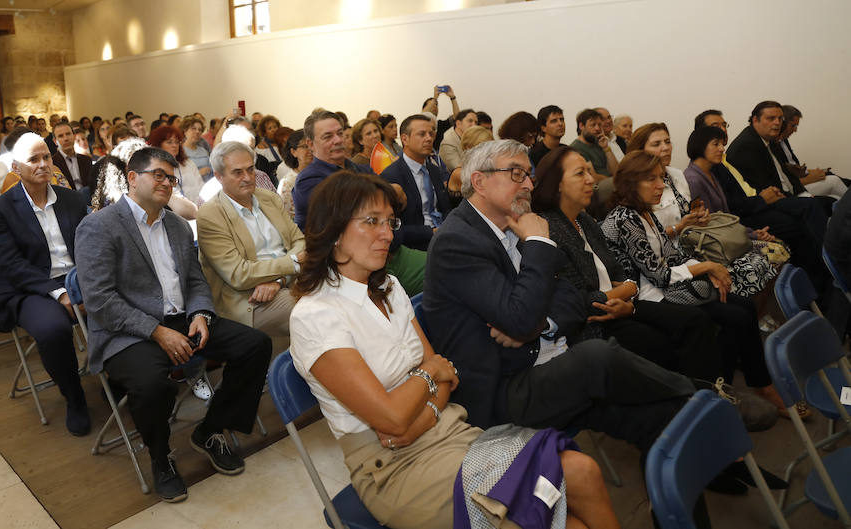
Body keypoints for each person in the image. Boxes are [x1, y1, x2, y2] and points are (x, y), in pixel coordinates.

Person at [290, 169, 618, 529]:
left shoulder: (389, 286)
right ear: (334, 232)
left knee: (582, 471)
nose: (388, 234)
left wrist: (421, 409)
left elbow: (447, 377)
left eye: (390, 221)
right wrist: (430, 375)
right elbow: (396, 414)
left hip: (451, 429)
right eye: (372, 222)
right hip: (394, 467)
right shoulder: (316, 315)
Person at [424, 139, 695, 458]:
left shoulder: (515, 223)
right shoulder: (457, 241)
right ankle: (700, 394)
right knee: (597, 357)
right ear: (479, 182)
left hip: (547, 357)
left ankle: (698, 462)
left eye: (529, 175)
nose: (528, 184)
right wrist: (539, 243)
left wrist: (540, 323)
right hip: (505, 388)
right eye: (516, 173)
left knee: (658, 418)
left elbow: (567, 296)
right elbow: (520, 318)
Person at [74, 147, 272, 503]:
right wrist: (156, 331)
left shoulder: (178, 226)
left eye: (171, 177)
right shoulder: (99, 226)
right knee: (153, 385)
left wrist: (199, 314)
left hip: (182, 320)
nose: (167, 182)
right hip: (128, 332)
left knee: (255, 345)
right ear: (132, 178)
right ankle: (161, 455)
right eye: (158, 175)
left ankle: (209, 431)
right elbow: (101, 301)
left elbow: (195, 281)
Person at [601, 151, 792, 418]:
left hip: (663, 286)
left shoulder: (644, 212)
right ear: (630, 183)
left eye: (661, 179)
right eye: (651, 180)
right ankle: (714, 397)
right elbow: (659, 275)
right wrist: (707, 267)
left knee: (744, 307)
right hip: (644, 295)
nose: (660, 186)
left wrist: (707, 270)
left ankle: (747, 385)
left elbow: (673, 255)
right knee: (727, 316)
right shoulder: (624, 219)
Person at [532, 146, 728, 393]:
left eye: (589, 172)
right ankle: (696, 400)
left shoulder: (585, 221)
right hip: (593, 322)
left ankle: (703, 396)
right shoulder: (548, 228)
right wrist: (622, 294)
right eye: (580, 173)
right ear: (557, 184)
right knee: (669, 336)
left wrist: (628, 293)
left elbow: (621, 273)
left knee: (691, 325)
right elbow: (578, 301)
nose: (591, 180)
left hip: (621, 305)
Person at [0, 133, 90, 436]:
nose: (43, 164)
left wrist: (85, 284)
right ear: (16, 167)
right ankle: (74, 396)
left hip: (75, 277)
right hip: (28, 286)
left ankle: (121, 379)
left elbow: (87, 246)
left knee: (119, 303)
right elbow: (11, 265)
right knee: (54, 329)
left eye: (46, 157)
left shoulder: (71, 199)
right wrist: (60, 294)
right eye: (34, 159)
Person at [695, 109, 830, 293]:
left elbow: (748, 187)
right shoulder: (710, 166)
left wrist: (765, 195)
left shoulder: (722, 159)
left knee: (814, 207)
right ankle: (822, 277)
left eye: (724, 125)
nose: (722, 130)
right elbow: (729, 210)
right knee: (800, 219)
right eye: (715, 127)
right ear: (700, 135)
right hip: (747, 215)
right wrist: (762, 201)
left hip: (755, 205)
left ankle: (822, 276)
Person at [197, 141, 304, 350]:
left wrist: (280, 280)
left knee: (341, 294)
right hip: (247, 300)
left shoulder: (269, 199)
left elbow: (300, 242)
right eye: (237, 172)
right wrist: (291, 263)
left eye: (250, 169)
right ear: (219, 177)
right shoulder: (211, 214)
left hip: (286, 284)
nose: (247, 177)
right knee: (315, 312)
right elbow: (239, 274)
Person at [683, 126, 779, 297]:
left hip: (728, 236)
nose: (722, 148)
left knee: (779, 249)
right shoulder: (693, 179)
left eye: (722, 144)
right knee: (775, 253)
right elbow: (712, 225)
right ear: (700, 147)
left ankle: (771, 312)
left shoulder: (710, 173)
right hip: (714, 246)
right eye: (716, 144)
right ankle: (764, 315)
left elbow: (726, 218)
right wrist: (753, 235)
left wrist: (751, 232)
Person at [725, 101, 833, 216]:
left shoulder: (768, 139)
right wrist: (800, 198)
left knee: (832, 202)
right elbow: (765, 187)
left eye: (780, 118)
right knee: (821, 204)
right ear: (755, 120)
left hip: (788, 194)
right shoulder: (747, 146)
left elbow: (787, 175)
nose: (777, 123)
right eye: (771, 118)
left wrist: (803, 193)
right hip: (767, 203)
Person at [380, 115, 452, 251]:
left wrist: (449, 226)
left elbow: (445, 207)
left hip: (444, 236)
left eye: (431, 134)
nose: (429, 138)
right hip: (416, 245)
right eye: (422, 134)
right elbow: (392, 227)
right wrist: (430, 232)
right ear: (405, 139)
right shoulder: (392, 176)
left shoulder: (434, 170)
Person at [293, 110, 373, 231]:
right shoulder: (307, 181)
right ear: (310, 144)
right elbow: (345, 212)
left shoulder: (363, 169)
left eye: (340, 133)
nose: (338, 140)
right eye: (328, 137)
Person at [627, 123, 708, 242]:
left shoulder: (677, 174)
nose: (665, 148)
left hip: (694, 243)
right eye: (656, 144)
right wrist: (679, 227)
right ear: (640, 151)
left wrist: (698, 218)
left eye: (667, 142)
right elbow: (642, 238)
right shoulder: (636, 184)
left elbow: (686, 211)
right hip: (665, 255)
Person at [777, 105, 846, 200]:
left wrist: (810, 172)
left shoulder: (784, 141)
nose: (795, 130)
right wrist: (811, 178)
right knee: (835, 181)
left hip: (799, 180)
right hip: (794, 189)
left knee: (836, 195)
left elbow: (793, 168)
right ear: (783, 123)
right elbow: (784, 180)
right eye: (793, 126)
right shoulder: (773, 145)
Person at [148, 125, 204, 206]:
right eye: (169, 142)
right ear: (159, 145)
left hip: (198, 207)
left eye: (177, 142)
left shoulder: (188, 163)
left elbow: (200, 185)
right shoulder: (153, 168)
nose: (174, 145)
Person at [569, 108, 618, 178]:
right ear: (581, 126)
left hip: (609, 182)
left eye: (599, 125)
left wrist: (606, 148)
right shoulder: (576, 148)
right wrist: (615, 181)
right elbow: (592, 176)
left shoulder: (599, 143)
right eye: (593, 125)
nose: (597, 128)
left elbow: (615, 171)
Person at [51, 122, 95, 195]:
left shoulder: (86, 159)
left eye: (68, 134)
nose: (66, 138)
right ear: (55, 141)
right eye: (61, 136)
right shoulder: (53, 163)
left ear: (74, 136)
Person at [276, 130, 311, 218]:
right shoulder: (288, 183)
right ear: (293, 152)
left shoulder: (323, 173)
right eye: (305, 146)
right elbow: (287, 218)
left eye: (312, 145)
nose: (310, 150)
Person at [422, 85, 460, 150]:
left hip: (436, 158)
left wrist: (453, 97)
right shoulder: (416, 122)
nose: (435, 107)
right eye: (432, 104)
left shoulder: (440, 125)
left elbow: (457, 118)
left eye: (436, 105)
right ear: (423, 108)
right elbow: (426, 114)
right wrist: (435, 98)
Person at [181, 117, 212, 181]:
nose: (197, 132)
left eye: (200, 130)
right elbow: (178, 177)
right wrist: (198, 173)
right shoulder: (179, 151)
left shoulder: (203, 151)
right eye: (193, 129)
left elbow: (211, 169)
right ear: (185, 131)